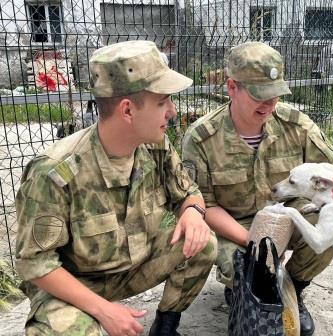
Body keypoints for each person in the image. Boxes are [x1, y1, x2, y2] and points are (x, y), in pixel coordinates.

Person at [15, 40, 217, 336]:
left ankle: (165, 328)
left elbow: (188, 192)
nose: (172, 111)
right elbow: (35, 265)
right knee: (69, 331)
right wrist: (103, 310)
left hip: (132, 266)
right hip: (75, 284)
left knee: (203, 242)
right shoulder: (55, 172)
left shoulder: (156, 146)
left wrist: (194, 213)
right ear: (127, 111)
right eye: (163, 102)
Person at [182, 41, 333, 336]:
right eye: (260, 96)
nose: (270, 105)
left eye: (275, 95)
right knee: (245, 268)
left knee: (332, 221)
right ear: (232, 87)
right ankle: (243, 291)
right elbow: (204, 204)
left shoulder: (296, 124)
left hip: (287, 216)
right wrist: (255, 243)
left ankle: (293, 289)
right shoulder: (202, 138)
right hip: (237, 226)